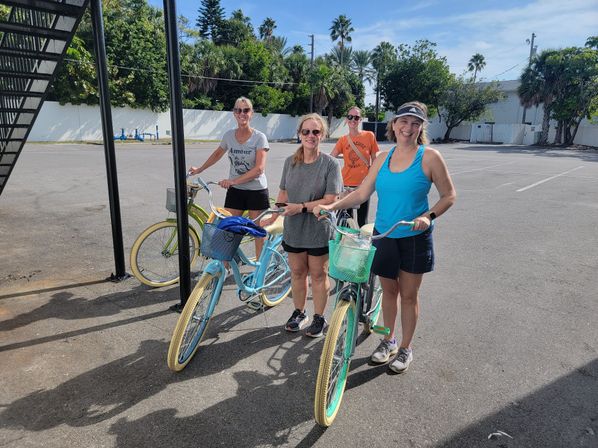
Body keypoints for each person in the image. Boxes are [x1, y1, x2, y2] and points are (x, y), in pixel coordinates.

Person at [314, 101, 456, 373]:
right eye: (403, 121)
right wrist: (332, 206)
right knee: (389, 291)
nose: (408, 127)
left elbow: (449, 196)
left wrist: (428, 216)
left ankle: (405, 348)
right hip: (384, 236)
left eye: (415, 123)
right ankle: (388, 340)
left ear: (421, 128)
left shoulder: (429, 157)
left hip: (414, 237)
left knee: (410, 296)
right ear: (393, 124)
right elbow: (362, 193)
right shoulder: (383, 158)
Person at [263, 113, 342, 337]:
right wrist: (276, 213)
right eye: (306, 131)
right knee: (297, 273)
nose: (310, 136)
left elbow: (330, 200)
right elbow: (283, 193)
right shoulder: (290, 162)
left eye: (315, 132)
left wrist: (301, 207)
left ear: (322, 135)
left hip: (318, 229)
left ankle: (319, 317)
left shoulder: (330, 164)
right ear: (299, 134)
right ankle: (299, 312)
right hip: (294, 228)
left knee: (318, 275)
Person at [189, 97, 270, 256]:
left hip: (256, 191)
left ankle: (259, 273)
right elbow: (217, 154)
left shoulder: (259, 138)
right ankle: (223, 268)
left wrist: (233, 181)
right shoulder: (229, 136)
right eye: (238, 110)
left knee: (257, 233)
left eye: (246, 110)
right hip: (236, 191)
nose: (242, 113)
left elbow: (259, 169)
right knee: (227, 231)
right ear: (234, 113)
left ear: (251, 113)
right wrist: (200, 169)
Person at [330, 106, 379, 227]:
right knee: (347, 220)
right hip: (346, 184)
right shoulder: (342, 140)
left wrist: (372, 178)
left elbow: (375, 160)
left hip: (364, 185)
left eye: (356, 117)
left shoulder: (369, 136)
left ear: (360, 119)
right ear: (346, 119)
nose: (353, 120)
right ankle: (347, 244)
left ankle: (362, 245)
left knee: (362, 220)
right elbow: (331, 158)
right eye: (350, 117)